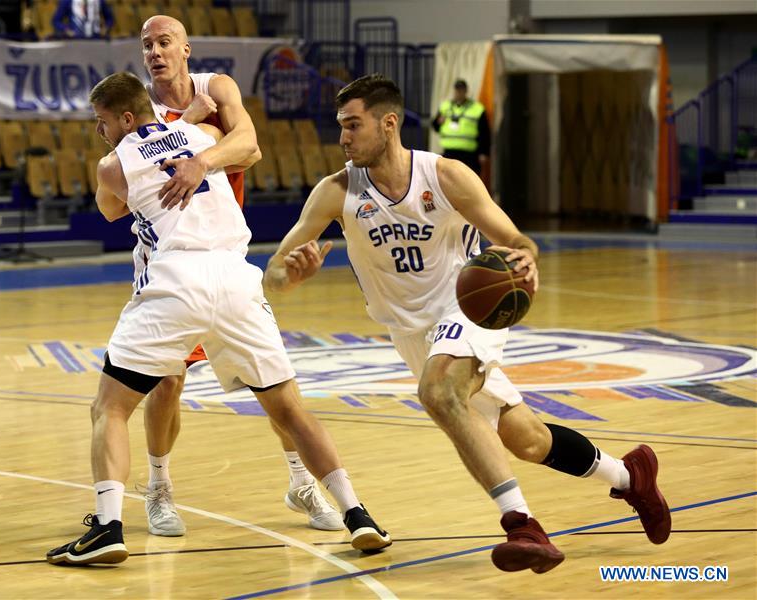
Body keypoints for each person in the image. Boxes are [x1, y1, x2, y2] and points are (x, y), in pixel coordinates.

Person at [264, 74, 671, 574]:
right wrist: (291, 273)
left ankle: (522, 524)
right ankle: (631, 476)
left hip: (468, 305)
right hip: (409, 331)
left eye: (353, 125)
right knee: (526, 439)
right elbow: (274, 273)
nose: (343, 138)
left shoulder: (446, 177)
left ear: (388, 124)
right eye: (341, 127)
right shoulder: (336, 191)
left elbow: (518, 239)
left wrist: (525, 259)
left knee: (438, 393)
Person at [45, 72, 391, 566]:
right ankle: (358, 514)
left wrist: (142, 150)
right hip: (235, 279)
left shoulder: (110, 164)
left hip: (176, 283)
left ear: (125, 117)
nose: (99, 133)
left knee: (111, 409)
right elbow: (244, 149)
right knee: (290, 409)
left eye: (102, 122)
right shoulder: (206, 138)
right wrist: (186, 130)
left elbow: (110, 210)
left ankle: (107, 527)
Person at [134, 15, 344, 538]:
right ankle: (158, 488)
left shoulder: (217, 87)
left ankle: (300, 482)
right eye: (147, 45)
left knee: (270, 383)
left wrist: (198, 152)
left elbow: (249, 146)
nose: (155, 52)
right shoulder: (138, 109)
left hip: (226, 262)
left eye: (164, 42)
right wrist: (202, 132)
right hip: (169, 261)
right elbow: (146, 169)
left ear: (186, 49)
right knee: (166, 384)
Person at [433, 79, 490, 177]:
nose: (459, 93)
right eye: (457, 90)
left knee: (469, 181)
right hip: (449, 153)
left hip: (469, 154)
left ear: (466, 91)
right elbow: (435, 126)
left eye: (461, 90)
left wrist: (483, 152)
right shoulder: (445, 106)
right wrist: (438, 122)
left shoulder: (477, 109)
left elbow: (484, 133)